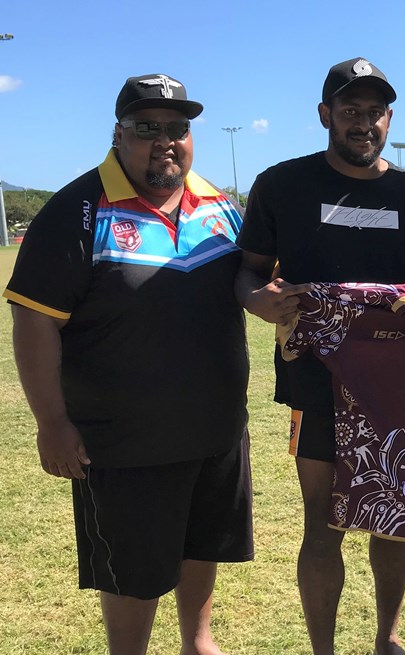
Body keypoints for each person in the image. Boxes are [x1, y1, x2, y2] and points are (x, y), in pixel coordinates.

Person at [3, 74, 252, 655]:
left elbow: (248, 280)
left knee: (201, 545)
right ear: (118, 134)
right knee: (133, 569)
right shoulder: (78, 209)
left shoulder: (219, 204)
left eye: (178, 127)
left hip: (215, 430)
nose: (165, 140)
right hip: (123, 441)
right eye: (147, 128)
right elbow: (35, 319)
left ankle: (198, 642)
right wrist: (52, 423)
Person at [235, 57, 405, 655]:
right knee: (323, 519)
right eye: (351, 110)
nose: (365, 123)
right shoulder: (281, 185)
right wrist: (261, 300)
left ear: (390, 118)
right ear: (325, 114)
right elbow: (248, 273)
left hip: (401, 382)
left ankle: (388, 637)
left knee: (396, 509)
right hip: (316, 379)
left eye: (376, 111)